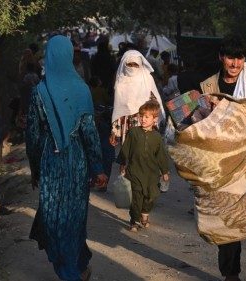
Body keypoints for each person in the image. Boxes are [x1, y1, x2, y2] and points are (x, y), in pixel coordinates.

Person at [26, 35, 108, 281]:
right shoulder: (82, 89)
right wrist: (97, 168)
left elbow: (32, 134)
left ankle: (70, 272)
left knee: (55, 218)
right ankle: (79, 264)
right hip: (77, 161)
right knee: (74, 216)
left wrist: (34, 168)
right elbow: (90, 132)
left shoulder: (39, 92)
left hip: (50, 162)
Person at [199, 34, 246, 281]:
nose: (235, 64)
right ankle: (230, 273)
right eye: (230, 58)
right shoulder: (209, 86)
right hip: (224, 160)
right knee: (228, 217)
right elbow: (198, 121)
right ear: (222, 57)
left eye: (239, 58)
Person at [116, 100, 169, 232]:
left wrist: (165, 171)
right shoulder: (133, 133)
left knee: (151, 196)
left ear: (154, 119)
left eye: (147, 117)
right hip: (135, 171)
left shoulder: (157, 137)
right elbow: (125, 149)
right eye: (141, 116)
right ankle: (135, 221)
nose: (143, 119)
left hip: (151, 174)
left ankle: (145, 213)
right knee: (136, 197)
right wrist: (123, 164)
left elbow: (161, 155)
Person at [110, 50, 164, 146]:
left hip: (144, 120)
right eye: (129, 65)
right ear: (124, 64)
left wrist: (153, 121)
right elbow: (118, 108)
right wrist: (115, 131)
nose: (132, 67)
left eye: (135, 65)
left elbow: (155, 102)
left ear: (140, 64)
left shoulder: (147, 78)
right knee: (129, 153)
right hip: (126, 123)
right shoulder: (120, 80)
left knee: (144, 151)